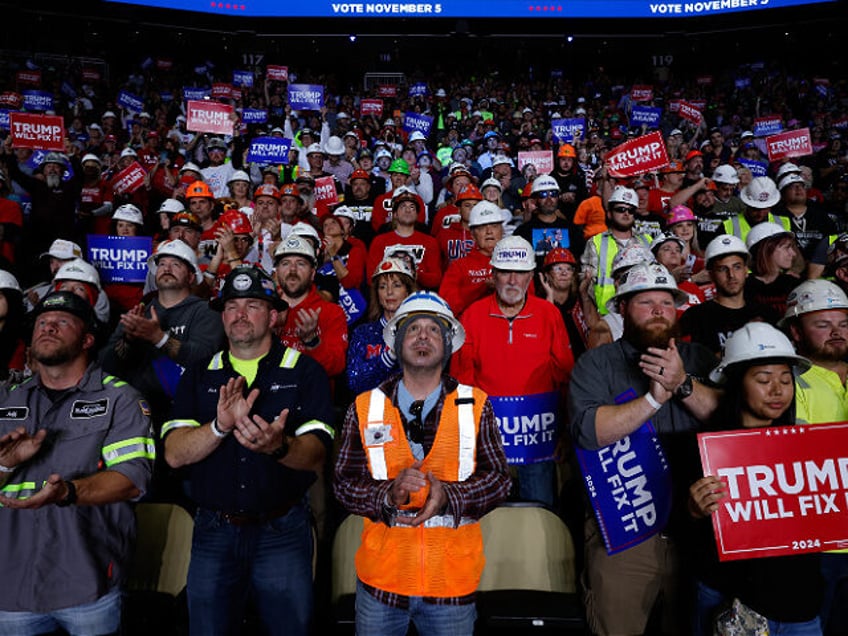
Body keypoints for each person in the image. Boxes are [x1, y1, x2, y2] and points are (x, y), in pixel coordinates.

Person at [161, 265, 334, 636]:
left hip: (282, 531)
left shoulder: (305, 372)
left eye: (252, 305)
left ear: (273, 316)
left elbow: (317, 455)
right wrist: (220, 427)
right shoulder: (198, 373)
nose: (240, 314)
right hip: (213, 530)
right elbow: (174, 454)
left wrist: (278, 446)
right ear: (221, 315)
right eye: (232, 306)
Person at [333, 291, 511, 636]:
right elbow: (343, 483)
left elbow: (499, 480)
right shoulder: (365, 406)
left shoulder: (476, 404)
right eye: (413, 329)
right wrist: (387, 494)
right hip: (381, 583)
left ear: (447, 344)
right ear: (398, 343)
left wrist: (449, 496)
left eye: (433, 329)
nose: (423, 337)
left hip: (452, 587)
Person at [568, 261, 720, 636]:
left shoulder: (700, 358)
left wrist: (682, 383)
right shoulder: (596, 363)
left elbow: (728, 416)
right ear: (622, 308)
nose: (658, 311)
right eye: (645, 302)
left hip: (697, 528)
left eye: (666, 303)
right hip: (625, 527)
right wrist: (652, 402)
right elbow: (589, 432)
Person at [0, 290, 154, 635]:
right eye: (41, 322)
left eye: (61, 322)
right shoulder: (5, 397)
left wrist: (68, 492)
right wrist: (5, 467)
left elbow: (131, 479)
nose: (48, 327)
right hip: (9, 588)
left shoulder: (120, 399)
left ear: (87, 339)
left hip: (87, 584)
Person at [687, 322, 821, 636]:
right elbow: (689, 542)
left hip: (799, 607)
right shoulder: (707, 450)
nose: (777, 391)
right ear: (735, 383)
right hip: (729, 603)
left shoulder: (811, 448)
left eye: (786, 380)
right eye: (764, 379)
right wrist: (692, 511)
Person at [453, 235, 574, 508]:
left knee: (540, 516)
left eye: (519, 273)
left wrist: (566, 429)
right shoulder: (472, 315)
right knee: (487, 517)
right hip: (488, 441)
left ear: (531, 276)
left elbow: (565, 375)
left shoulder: (549, 314)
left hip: (538, 441)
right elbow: (462, 382)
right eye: (505, 272)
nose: (512, 281)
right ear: (493, 274)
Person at [780, 279, 848, 635]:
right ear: (796, 330)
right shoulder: (789, 382)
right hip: (814, 544)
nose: (836, 333)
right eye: (822, 324)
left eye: (844, 323)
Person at [680, 234, 780, 356]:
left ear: (746, 271)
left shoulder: (767, 315)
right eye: (722, 269)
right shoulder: (696, 317)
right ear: (711, 275)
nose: (731, 275)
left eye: (737, 267)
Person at [272, 234, 349, 379]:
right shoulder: (265, 310)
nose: (292, 270)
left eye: (300, 263)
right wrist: (269, 331)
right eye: (285, 263)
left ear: (313, 273)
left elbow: (337, 366)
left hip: (310, 398)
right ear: (276, 272)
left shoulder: (332, 312)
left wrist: (312, 341)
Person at [346, 256, 417, 396]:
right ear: (377, 293)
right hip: (372, 411)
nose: (389, 292)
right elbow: (355, 382)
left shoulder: (422, 332)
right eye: (383, 286)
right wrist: (388, 357)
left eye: (396, 285)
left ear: (408, 291)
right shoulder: (363, 333)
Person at [580, 185, 653, 316]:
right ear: (609, 214)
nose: (626, 214)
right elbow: (587, 284)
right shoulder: (596, 242)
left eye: (631, 211)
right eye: (621, 209)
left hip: (643, 314)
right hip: (606, 316)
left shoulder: (647, 240)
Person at [538, 247, 590, 359]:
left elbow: (595, 329)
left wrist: (584, 293)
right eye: (558, 268)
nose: (564, 273)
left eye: (569, 269)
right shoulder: (538, 304)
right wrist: (550, 299)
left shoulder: (579, 302)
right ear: (547, 275)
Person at [744, 221, 802, 316]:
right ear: (766, 250)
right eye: (787, 247)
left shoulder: (793, 284)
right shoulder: (745, 286)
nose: (793, 253)